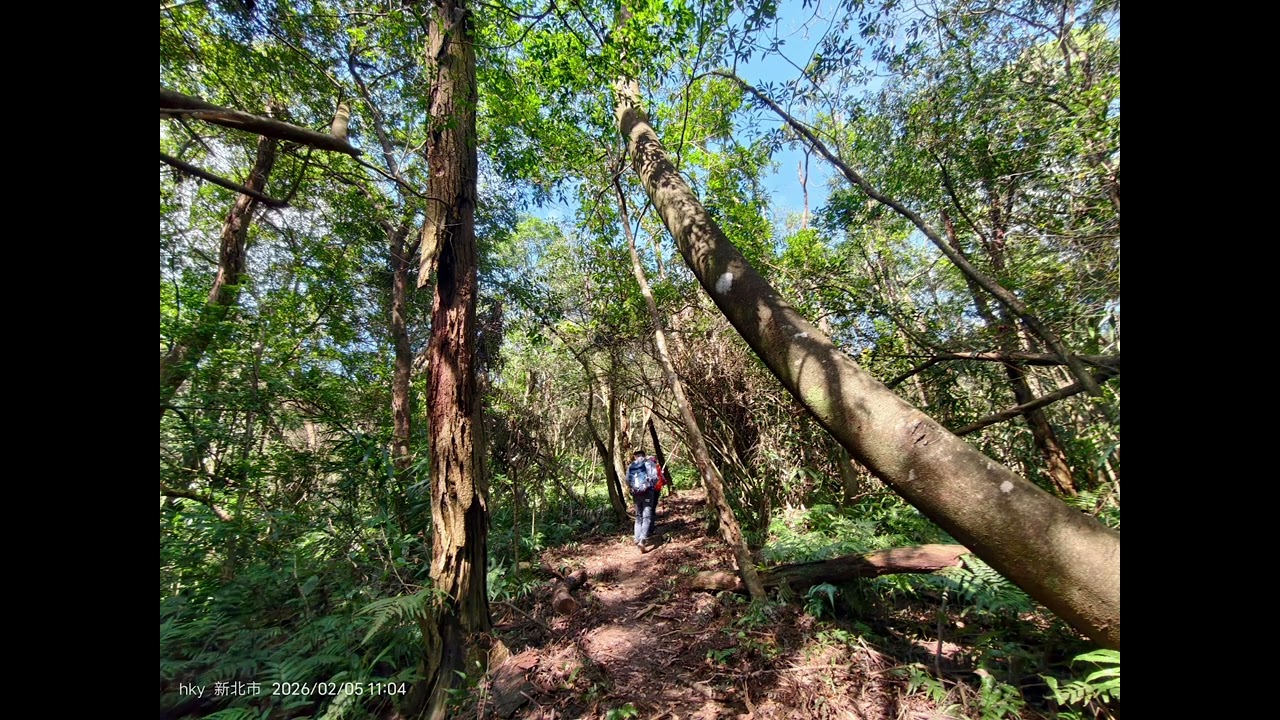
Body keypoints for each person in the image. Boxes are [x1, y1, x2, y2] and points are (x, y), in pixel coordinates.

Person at [626, 449, 659, 552]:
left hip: (636, 493)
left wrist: (633, 488)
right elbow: (655, 478)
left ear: (635, 456)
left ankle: (636, 538)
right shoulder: (649, 463)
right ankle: (642, 540)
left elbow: (627, 480)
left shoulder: (631, 466)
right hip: (648, 492)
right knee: (647, 516)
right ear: (644, 455)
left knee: (638, 516)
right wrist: (650, 486)